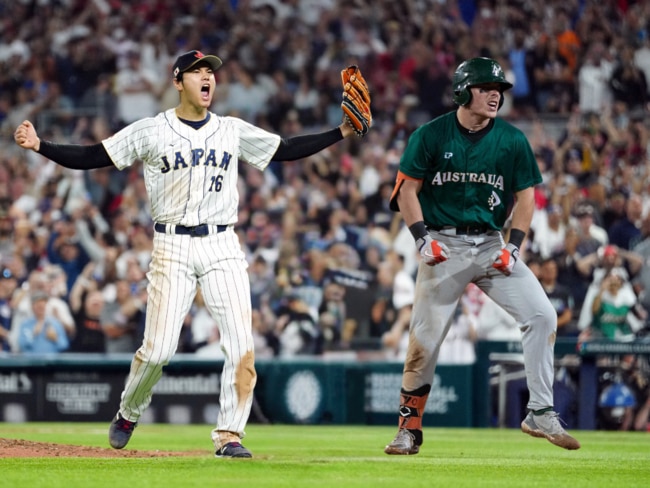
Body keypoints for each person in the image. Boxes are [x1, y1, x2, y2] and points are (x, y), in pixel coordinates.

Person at [14, 50, 366, 458]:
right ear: (178, 81)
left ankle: (229, 434)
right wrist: (41, 145)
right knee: (159, 349)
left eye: (212, 72)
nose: (208, 78)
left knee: (241, 344)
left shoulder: (230, 129)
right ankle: (129, 410)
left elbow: (285, 148)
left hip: (222, 243)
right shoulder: (151, 130)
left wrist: (340, 131)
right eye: (199, 71)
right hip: (172, 244)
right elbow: (93, 156)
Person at [384, 57, 580, 455]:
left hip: (492, 244)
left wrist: (514, 245)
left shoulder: (511, 140)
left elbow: (527, 196)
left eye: (499, 90)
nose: (495, 95)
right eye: (486, 88)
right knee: (425, 338)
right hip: (443, 244)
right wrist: (422, 239)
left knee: (542, 315)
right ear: (462, 90)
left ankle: (540, 410)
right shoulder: (431, 135)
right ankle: (408, 428)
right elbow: (407, 189)